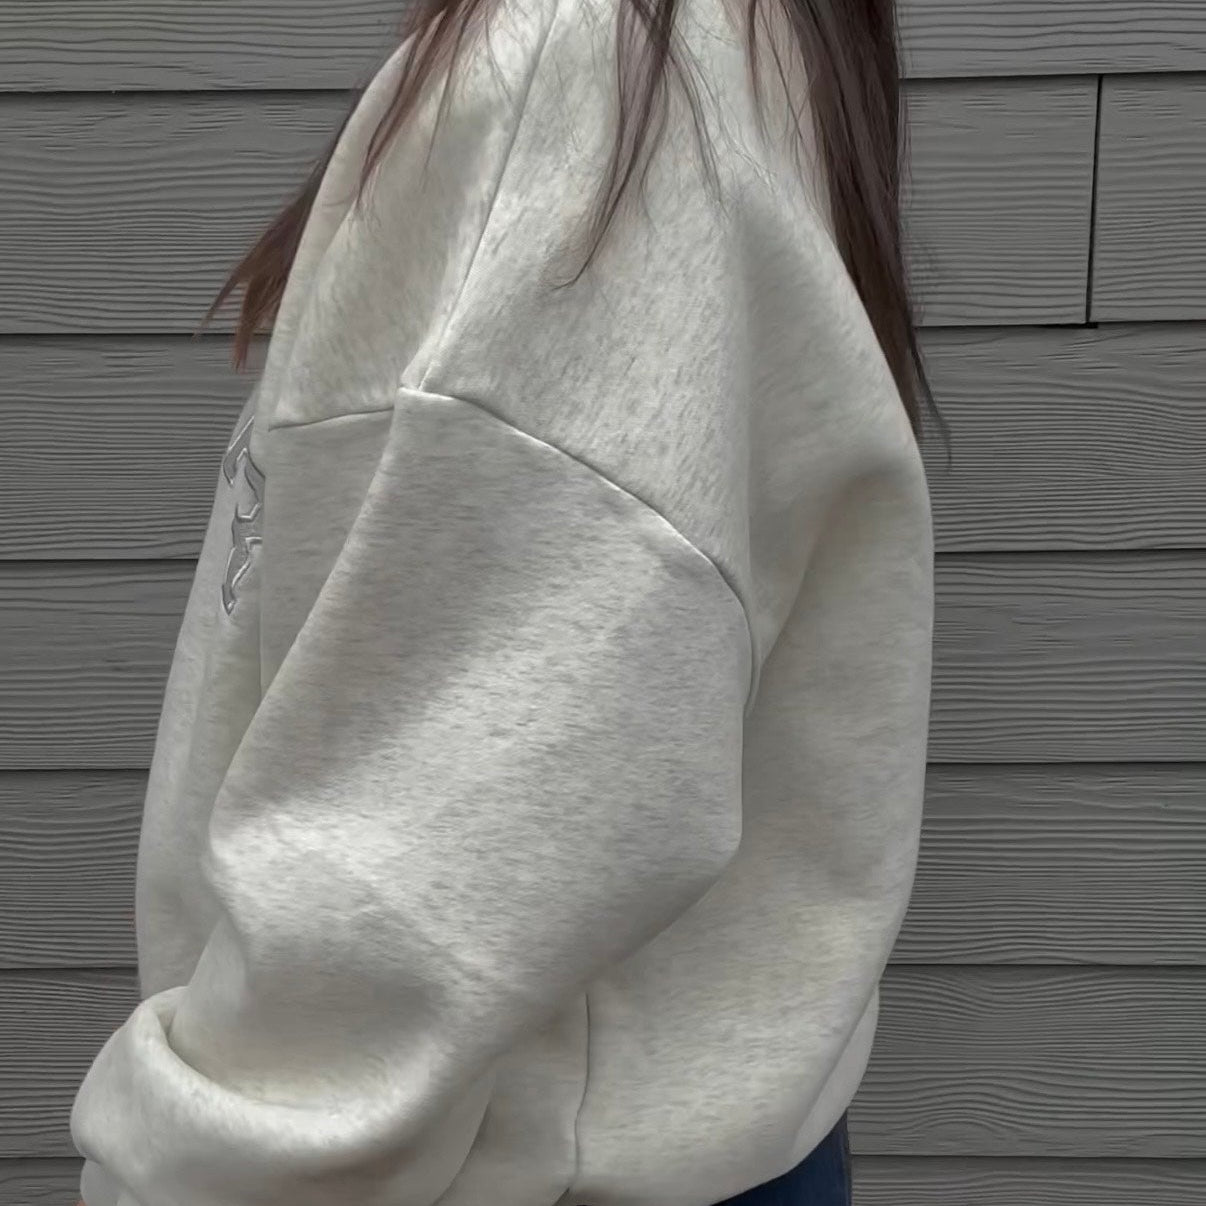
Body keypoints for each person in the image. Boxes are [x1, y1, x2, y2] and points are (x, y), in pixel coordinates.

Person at [69, 0, 941, 1202]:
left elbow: (444, 848)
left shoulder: (611, 70)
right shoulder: (714, 57)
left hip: (475, 1164)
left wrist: (204, 1169)